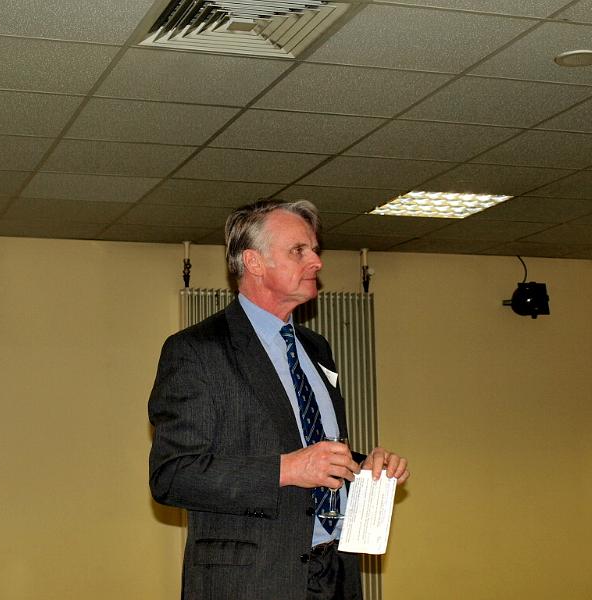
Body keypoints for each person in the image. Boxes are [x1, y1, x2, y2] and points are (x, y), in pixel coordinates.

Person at [148, 199, 409, 600]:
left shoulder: (316, 347)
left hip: (335, 574)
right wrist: (285, 470)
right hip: (253, 581)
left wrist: (363, 466)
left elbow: (312, 446)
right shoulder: (197, 350)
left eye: (315, 250)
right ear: (253, 262)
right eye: (298, 251)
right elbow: (173, 475)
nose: (317, 262)